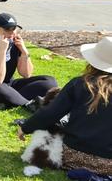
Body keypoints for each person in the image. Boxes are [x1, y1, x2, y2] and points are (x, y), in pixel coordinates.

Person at [18, 36, 112, 175]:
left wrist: (25, 127)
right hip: (109, 165)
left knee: (50, 137)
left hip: (73, 156)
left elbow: (50, 113)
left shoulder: (79, 84)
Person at [0, 13, 58, 108]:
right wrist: (2, 51)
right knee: (0, 88)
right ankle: (28, 104)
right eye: (7, 29)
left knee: (49, 81)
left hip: (9, 85)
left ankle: (8, 100)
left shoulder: (14, 44)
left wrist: (24, 52)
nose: (12, 33)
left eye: (13, 29)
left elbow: (26, 74)